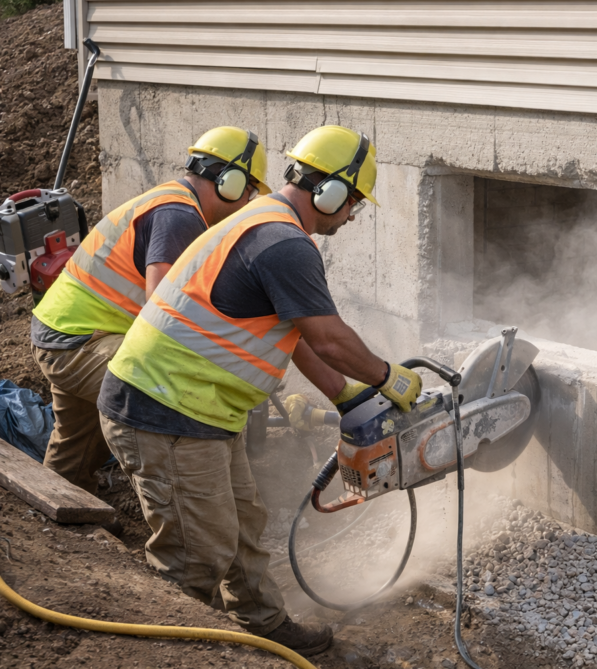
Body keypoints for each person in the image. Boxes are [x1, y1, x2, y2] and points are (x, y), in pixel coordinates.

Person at [96, 125, 423, 656]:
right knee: (196, 551)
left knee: (245, 525)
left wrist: (344, 397)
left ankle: (263, 622)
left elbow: (294, 335)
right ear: (330, 192)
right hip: (163, 409)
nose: (353, 215)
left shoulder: (265, 224)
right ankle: (172, 649)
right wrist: (388, 377)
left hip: (200, 409)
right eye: (354, 202)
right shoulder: (284, 243)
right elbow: (327, 336)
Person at [31, 127, 271, 497]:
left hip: (62, 332)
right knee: (162, 396)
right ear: (230, 182)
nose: (247, 203)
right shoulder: (181, 215)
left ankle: (62, 526)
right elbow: (164, 310)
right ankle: (181, 504)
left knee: (75, 450)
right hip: (80, 342)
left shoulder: (170, 200)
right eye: (250, 191)